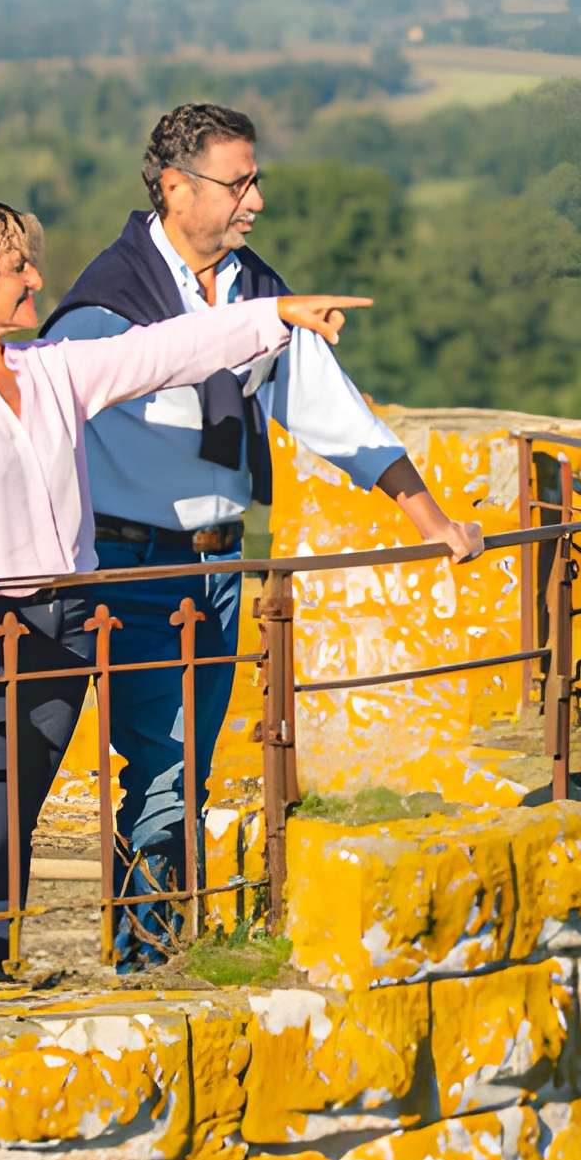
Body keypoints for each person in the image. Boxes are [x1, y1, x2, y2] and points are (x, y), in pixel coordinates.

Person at [0, 198, 369, 984]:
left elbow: (170, 350)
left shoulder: (50, 371)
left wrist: (277, 313)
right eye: (16, 269)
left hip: (61, 619)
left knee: (18, 814)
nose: (37, 279)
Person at [41, 103, 484, 966]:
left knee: (184, 773)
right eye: (238, 182)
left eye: (256, 179)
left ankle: (153, 947)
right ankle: (149, 960)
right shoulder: (106, 303)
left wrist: (428, 518)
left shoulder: (256, 286)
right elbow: (48, 420)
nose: (256, 201)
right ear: (175, 187)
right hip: (133, 562)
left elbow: (330, 409)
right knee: (163, 773)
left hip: (220, 562)